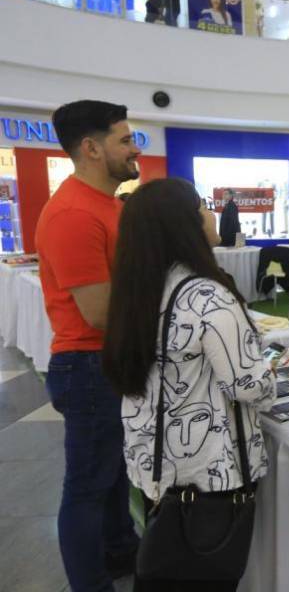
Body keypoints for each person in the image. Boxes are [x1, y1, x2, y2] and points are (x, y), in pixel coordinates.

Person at [102, 178, 276, 590]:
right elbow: (249, 386)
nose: (211, 212)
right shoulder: (207, 296)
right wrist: (269, 372)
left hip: (159, 471)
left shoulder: (142, 288)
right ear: (184, 223)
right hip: (208, 479)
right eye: (202, 206)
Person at [34, 100, 142, 592]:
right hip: (88, 364)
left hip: (109, 361)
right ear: (91, 148)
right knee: (88, 485)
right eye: (124, 139)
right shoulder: (74, 213)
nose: (133, 147)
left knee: (115, 473)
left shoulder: (109, 204)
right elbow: (97, 311)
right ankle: (90, 582)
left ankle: (120, 552)